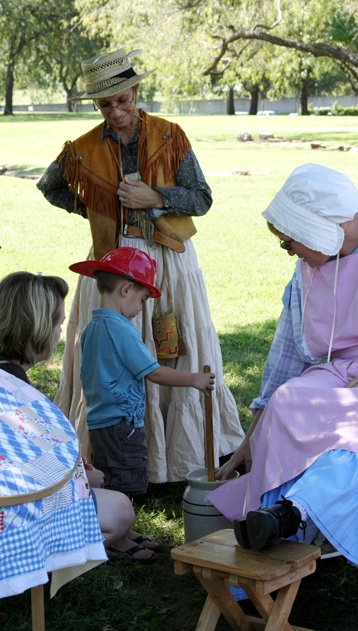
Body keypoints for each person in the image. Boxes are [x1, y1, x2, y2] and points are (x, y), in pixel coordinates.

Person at [209, 163, 358, 597]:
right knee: (288, 401)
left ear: (318, 226)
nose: (288, 251)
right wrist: (245, 448)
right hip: (342, 376)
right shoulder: (307, 272)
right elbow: (282, 366)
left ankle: (292, 519)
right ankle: (276, 553)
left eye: (289, 241)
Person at [36, 47, 244, 483]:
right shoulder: (83, 149)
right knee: (114, 352)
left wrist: (156, 198)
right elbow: (50, 186)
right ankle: (119, 456)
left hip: (166, 256)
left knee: (174, 342)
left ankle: (179, 458)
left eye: (123, 100)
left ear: (136, 91)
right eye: (106, 104)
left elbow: (202, 198)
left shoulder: (170, 136)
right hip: (112, 263)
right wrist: (98, 208)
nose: (116, 111)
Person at [0, 271, 160, 564]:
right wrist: (81, 477)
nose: (60, 331)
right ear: (35, 326)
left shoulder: (9, 377)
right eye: (58, 323)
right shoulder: (12, 390)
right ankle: (34, 564)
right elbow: (24, 470)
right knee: (121, 510)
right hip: (10, 517)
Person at [68, 246, 215, 496]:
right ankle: (117, 528)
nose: (140, 308)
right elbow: (154, 373)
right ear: (126, 289)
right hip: (122, 426)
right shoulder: (122, 330)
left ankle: (112, 522)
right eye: (143, 299)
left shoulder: (92, 327)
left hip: (100, 423)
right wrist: (194, 379)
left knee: (110, 477)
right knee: (126, 480)